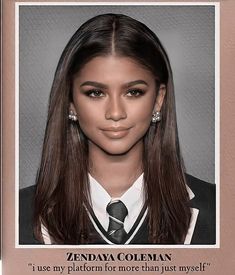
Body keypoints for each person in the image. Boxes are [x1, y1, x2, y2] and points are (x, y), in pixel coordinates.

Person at [19, 13, 215, 245]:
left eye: (133, 92)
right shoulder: (12, 215)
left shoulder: (221, 210)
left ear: (159, 99)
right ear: (70, 101)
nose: (115, 112)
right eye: (95, 93)